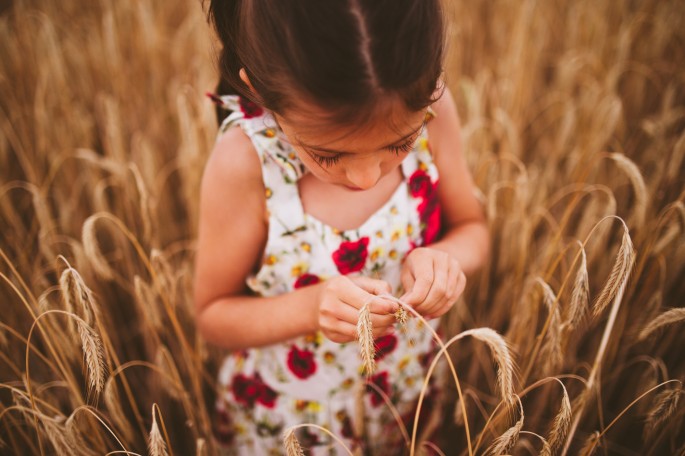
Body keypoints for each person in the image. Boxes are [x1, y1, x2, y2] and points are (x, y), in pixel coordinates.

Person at [194, 1, 489, 454]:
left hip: (405, 392)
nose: (366, 177)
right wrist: (312, 308)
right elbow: (213, 314)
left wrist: (447, 258)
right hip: (296, 418)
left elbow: (472, 228)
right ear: (260, 91)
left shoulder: (433, 107)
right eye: (329, 155)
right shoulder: (246, 161)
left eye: (401, 143)